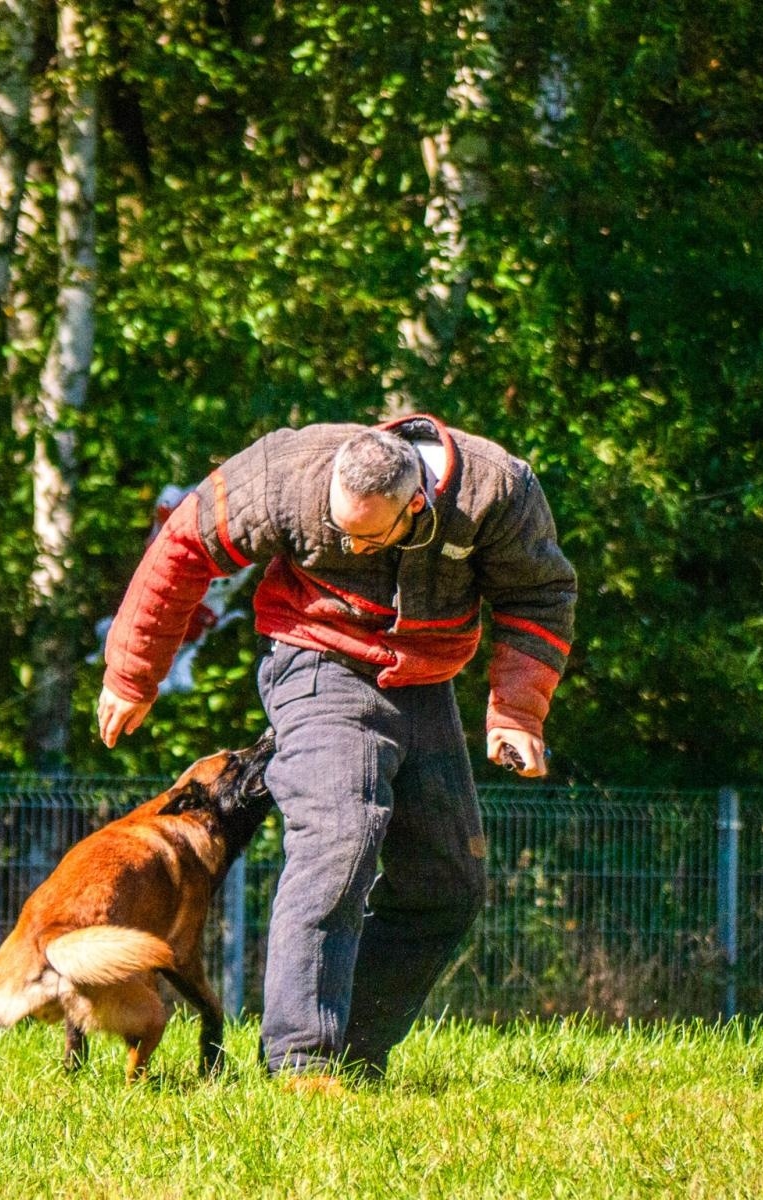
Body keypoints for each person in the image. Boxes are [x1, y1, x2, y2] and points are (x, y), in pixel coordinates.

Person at [96, 414, 576, 1085]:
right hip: (316, 657)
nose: (349, 541)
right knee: (340, 836)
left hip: (426, 678)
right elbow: (182, 546)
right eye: (339, 525)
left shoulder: (498, 491)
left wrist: (518, 712)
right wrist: (133, 672)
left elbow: (539, 594)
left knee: (449, 881)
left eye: (365, 535)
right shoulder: (287, 472)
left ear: (418, 505)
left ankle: (352, 1051)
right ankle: (301, 1061)